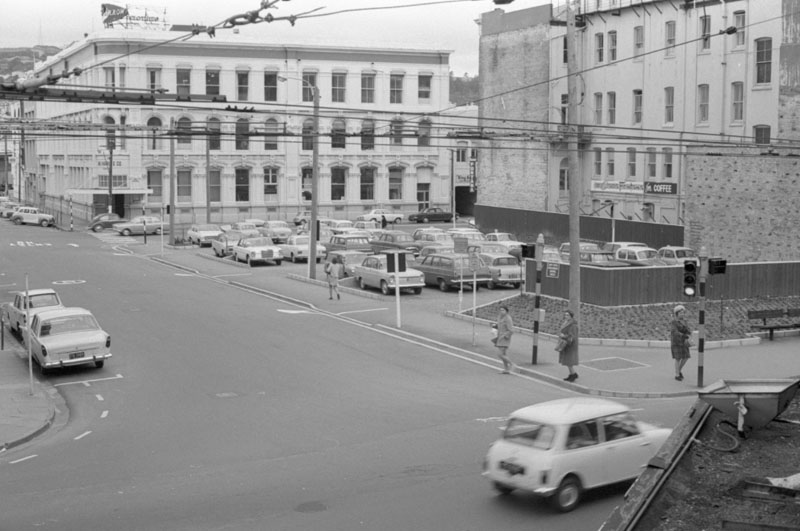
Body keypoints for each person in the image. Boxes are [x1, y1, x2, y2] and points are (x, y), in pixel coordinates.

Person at [494, 306, 517, 374]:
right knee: (503, 354)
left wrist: (505, 336)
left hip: (504, 338)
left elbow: (511, 330)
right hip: (499, 337)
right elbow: (498, 325)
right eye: (500, 310)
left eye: (503, 310)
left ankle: (512, 364)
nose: (501, 311)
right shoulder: (499, 317)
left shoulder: (508, 318)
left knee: (500, 354)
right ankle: (506, 369)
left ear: (506, 311)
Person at [670, 305, 691, 381]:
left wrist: (688, 332)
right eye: (680, 313)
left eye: (683, 313)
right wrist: (683, 335)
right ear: (676, 314)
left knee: (686, 357)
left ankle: (678, 370)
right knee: (678, 358)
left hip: (684, 342)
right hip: (676, 342)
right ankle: (677, 375)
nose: (682, 314)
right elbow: (674, 332)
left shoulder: (685, 321)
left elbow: (688, 329)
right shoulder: (674, 322)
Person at [558, 309, 579, 381]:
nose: (566, 316)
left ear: (571, 316)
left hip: (570, 345)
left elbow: (572, 336)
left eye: (567, 315)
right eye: (565, 315)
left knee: (569, 361)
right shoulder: (566, 323)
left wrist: (564, 336)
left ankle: (573, 375)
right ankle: (571, 374)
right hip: (566, 344)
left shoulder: (573, 325)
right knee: (567, 361)